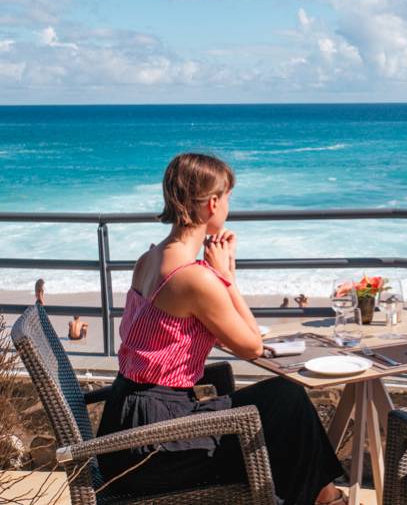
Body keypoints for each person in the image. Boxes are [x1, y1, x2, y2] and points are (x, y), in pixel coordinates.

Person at [96, 153, 345, 505]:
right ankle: (328, 500)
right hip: (153, 449)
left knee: (283, 407)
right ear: (213, 203)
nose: (228, 205)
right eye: (227, 197)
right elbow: (252, 345)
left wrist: (219, 279)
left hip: (126, 425)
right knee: (287, 403)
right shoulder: (194, 278)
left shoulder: (148, 260)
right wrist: (227, 279)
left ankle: (327, 499)